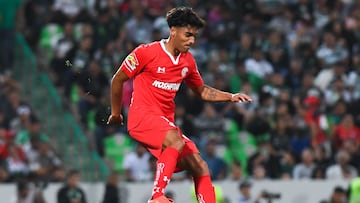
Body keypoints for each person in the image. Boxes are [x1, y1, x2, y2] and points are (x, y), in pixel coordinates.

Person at [107, 7, 252, 203]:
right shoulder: (145, 53)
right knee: (176, 140)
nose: (192, 41)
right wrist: (116, 113)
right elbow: (117, 80)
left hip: (165, 123)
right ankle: (157, 196)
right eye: (188, 34)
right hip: (142, 117)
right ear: (173, 30)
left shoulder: (188, 62)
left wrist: (230, 96)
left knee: (199, 164)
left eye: (195, 36)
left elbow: (201, 90)